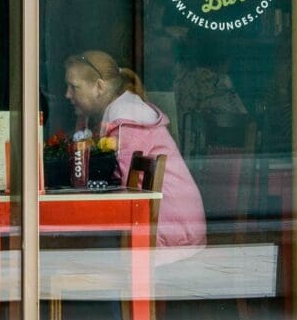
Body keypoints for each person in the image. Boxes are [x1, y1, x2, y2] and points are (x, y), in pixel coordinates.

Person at [62, 51, 205, 248]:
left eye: (74, 87)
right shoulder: (121, 116)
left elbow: (124, 193)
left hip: (170, 233)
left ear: (99, 87)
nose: (67, 94)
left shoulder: (126, 125)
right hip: (175, 226)